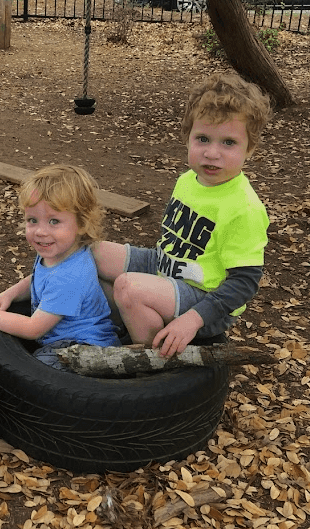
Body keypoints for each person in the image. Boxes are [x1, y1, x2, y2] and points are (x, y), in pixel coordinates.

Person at [93, 72, 271, 358]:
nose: (212, 153)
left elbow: (244, 283)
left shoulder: (244, 208)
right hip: (168, 266)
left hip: (206, 299)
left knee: (128, 288)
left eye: (228, 143)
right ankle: (54, 308)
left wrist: (193, 319)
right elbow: (170, 245)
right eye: (203, 138)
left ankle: (151, 360)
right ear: (187, 138)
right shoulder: (188, 180)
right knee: (90, 250)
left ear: (249, 149)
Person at [0, 164, 119, 370]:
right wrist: (9, 294)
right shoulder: (58, 252)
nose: (40, 231)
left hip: (86, 348)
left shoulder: (70, 276)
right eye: (32, 220)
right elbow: (39, 278)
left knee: (32, 373)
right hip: (60, 337)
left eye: (54, 221)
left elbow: (33, 329)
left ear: (82, 224)